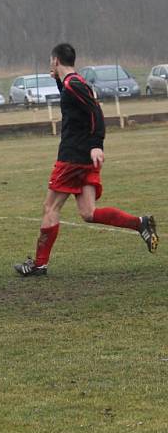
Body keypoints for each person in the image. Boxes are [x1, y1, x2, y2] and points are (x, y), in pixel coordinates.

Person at [14, 43, 158, 276]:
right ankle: (140, 223)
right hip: (82, 158)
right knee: (88, 213)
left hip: (73, 157)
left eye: (51, 60)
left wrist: (96, 145)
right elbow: (76, 106)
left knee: (50, 207)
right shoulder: (73, 82)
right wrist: (58, 81)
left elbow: (95, 112)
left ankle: (39, 265)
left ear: (55, 60)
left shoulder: (74, 85)